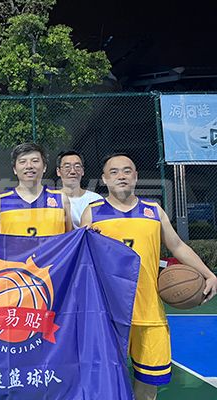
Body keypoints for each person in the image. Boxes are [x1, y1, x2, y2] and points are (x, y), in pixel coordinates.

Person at [80, 153, 217, 400]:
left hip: (149, 312)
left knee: (148, 386)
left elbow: (177, 246)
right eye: (113, 172)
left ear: (136, 176)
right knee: (105, 383)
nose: (121, 176)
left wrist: (209, 275)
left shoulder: (153, 211)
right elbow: (80, 260)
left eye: (127, 171)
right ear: (104, 179)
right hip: (107, 314)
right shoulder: (93, 214)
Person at [0, 142, 73, 236]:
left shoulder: (61, 199)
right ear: (14, 169)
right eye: (22, 161)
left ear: (44, 167)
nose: (29, 166)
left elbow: (70, 238)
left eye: (35, 161)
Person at [55, 150, 102, 228]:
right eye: (67, 167)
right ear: (58, 171)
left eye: (77, 166)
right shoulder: (52, 201)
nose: (73, 171)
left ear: (82, 171)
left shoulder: (96, 199)